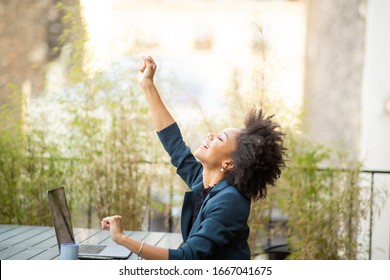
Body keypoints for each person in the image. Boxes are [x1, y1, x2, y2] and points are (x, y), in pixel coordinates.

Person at [101, 56, 286, 260]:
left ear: (228, 163)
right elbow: (174, 143)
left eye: (220, 138)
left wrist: (121, 238)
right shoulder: (206, 183)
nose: (210, 135)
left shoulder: (230, 202)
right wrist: (147, 85)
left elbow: (187, 258)